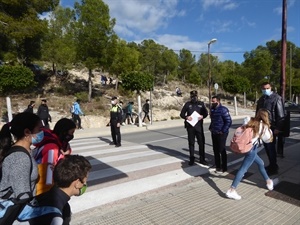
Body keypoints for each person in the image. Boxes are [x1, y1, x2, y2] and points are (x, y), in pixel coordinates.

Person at [14, 154, 92, 225]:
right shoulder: (57, 217)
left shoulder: (42, 197)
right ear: (77, 183)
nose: (85, 184)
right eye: (85, 180)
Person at [226, 109, 275, 200]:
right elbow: (268, 140)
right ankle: (232, 190)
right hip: (251, 149)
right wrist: (269, 129)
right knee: (243, 169)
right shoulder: (263, 126)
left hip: (246, 147)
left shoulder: (250, 120)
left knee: (260, 163)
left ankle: (268, 181)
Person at [0, 113, 42, 200]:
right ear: (27, 132)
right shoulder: (20, 158)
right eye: (39, 129)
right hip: (19, 211)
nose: (42, 132)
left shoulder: (25, 152)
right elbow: (22, 196)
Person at [33, 118, 76, 195]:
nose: (72, 136)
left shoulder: (58, 143)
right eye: (71, 132)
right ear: (64, 132)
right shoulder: (52, 148)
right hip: (46, 190)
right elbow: (47, 175)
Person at [256, 82, 285, 175]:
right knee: (267, 148)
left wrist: (278, 128)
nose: (265, 90)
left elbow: (281, 115)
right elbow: (257, 113)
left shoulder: (277, 98)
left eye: (267, 88)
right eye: (263, 88)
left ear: (271, 88)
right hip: (263, 127)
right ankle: (272, 164)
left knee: (271, 148)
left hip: (272, 127)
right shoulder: (261, 99)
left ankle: (274, 167)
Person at [180, 90, 208, 166]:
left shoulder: (201, 104)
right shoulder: (187, 104)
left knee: (201, 143)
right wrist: (186, 117)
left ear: (197, 96)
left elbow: (206, 113)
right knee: (191, 143)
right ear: (190, 97)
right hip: (190, 127)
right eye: (192, 96)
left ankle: (202, 159)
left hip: (199, 127)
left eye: (195, 96)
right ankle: (192, 158)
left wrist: (203, 116)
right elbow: (182, 114)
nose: (194, 98)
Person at [209, 95, 232, 173]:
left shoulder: (223, 110)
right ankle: (217, 165)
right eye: (212, 101)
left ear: (218, 101)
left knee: (221, 150)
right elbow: (213, 120)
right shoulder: (212, 109)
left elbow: (228, 121)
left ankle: (224, 167)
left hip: (222, 133)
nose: (212, 103)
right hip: (214, 132)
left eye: (214, 101)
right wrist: (211, 127)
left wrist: (223, 130)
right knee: (215, 149)